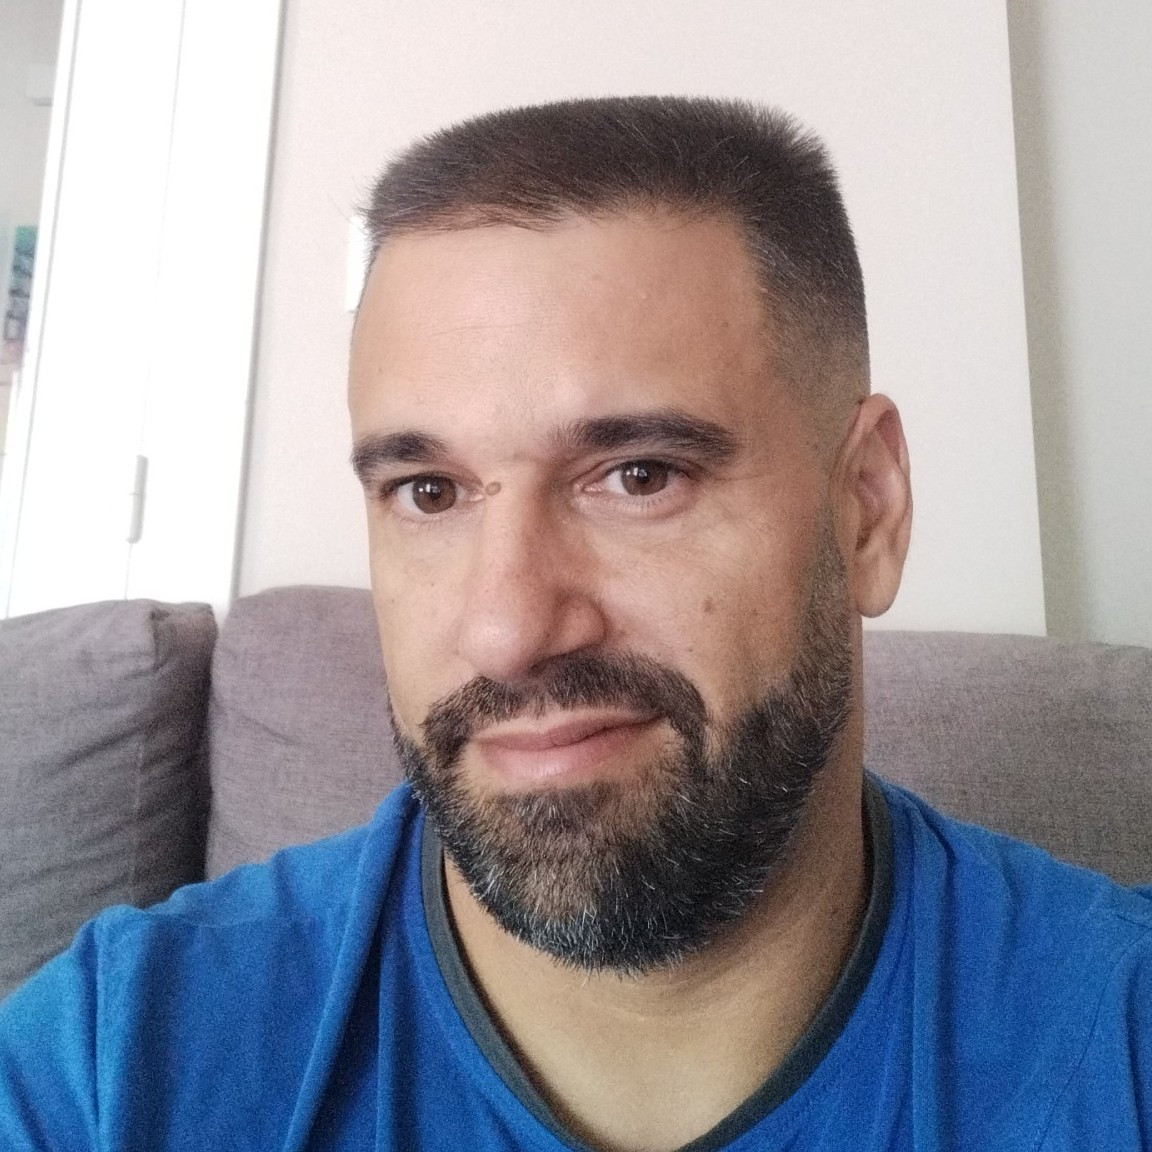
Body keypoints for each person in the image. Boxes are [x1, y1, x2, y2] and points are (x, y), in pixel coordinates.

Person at [1, 96, 1149, 1152]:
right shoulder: (113, 1064)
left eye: (640, 475)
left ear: (868, 509)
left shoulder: (1117, 1040)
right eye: (429, 492)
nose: (506, 632)